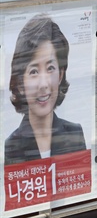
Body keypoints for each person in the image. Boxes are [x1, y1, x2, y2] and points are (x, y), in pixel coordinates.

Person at [5, 14, 86, 165]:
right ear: (20, 83)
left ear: (60, 75)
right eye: (34, 71)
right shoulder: (11, 146)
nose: (43, 84)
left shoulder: (75, 134)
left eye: (50, 68)